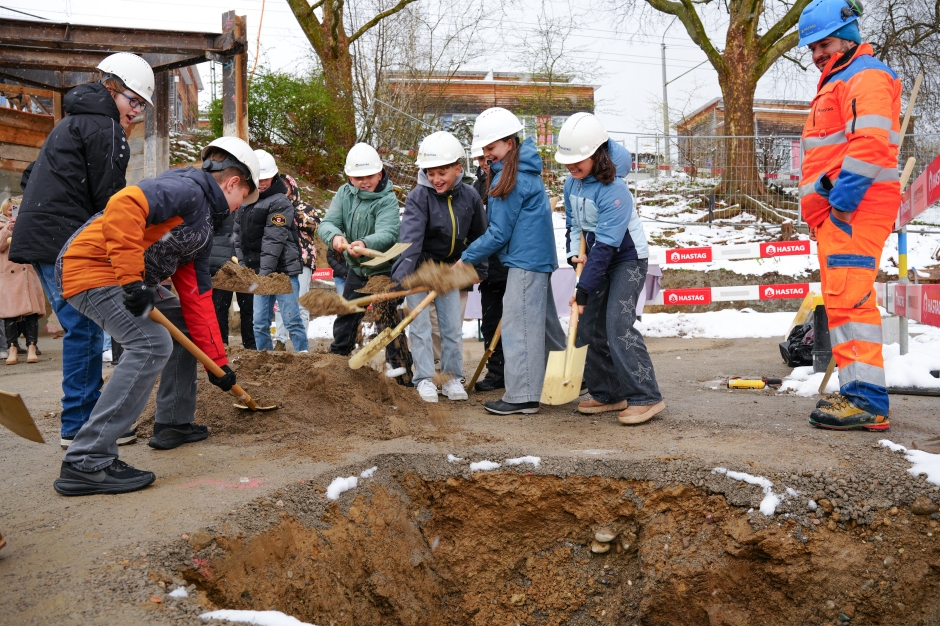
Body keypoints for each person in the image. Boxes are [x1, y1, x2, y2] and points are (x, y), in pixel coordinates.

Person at [51, 137, 260, 496]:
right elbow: (123, 205)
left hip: (124, 277)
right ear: (232, 184)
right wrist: (133, 281)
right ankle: (87, 460)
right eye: (243, 198)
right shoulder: (187, 189)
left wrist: (217, 364)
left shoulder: (201, 224)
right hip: (92, 268)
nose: (240, 207)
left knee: (177, 318)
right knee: (150, 344)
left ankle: (173, 423)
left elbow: (197, 296)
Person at [9, 52, 154, 448]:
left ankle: (81, 420)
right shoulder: (105, 129)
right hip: (61, 242)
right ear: (112, 87)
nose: (137, 112)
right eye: (134, 101)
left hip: (43, 237)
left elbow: (29, 177)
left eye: (142, 105)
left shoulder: (70, 123)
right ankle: (80, 425)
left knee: (83, 327)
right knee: (85, 328)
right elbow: (112, 203)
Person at [797, 0, 901, 431]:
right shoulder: (841, 79)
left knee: (852, 301)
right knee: (842, 301)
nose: (817, 53)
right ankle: (857, 391)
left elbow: (872, 144)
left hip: (852, 210)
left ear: (849, 33)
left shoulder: (865, 75)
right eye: (812, 48)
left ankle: (866, 400)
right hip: (840, 212)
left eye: (823, 44)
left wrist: (840, 202)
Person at [556, 113, 665, 424]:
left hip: (627, 259)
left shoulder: (614, 189)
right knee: (587, 324)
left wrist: (583, 288)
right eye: (568, 160)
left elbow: (606, 246)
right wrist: (573, 256)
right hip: (595, 258)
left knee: (618, 324)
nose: (572, 166)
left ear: (598, 153)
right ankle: (608, 393)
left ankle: (646, 396)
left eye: (579, 159)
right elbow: (573, 225)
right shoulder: (571, 184)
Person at [459, 107, 565, 415]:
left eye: (491, 148)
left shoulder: (511, 179)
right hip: (537, 258)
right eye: (484, 149)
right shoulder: (522, 171)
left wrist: (466, 257)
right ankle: (574, 378)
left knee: (520, 328)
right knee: (543, 324)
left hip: (525, 260)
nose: (486, 154)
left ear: (509, 142)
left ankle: (524, 395)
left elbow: (498, 234)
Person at [391, 131, 488, 403]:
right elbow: (410, 240)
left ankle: (452, 377)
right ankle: (424, 379)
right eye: (430, 173)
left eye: (442, 172)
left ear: (458, 168)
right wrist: (403, 278)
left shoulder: (469, 196)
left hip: (449, 272)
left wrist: (480, 270)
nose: (436, 179)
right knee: (420, 328)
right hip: (419, 271)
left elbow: (481, 235)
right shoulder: (418, 196)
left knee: (451, 328)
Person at [318, 143, 411, 378]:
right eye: (358, 177)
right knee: (347, 313)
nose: (364, 181)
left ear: (380, 173)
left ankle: (401, 371)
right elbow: (327, 223)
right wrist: (335, 237)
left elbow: (389, 233)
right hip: (357, 270)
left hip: (383, 270)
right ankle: (337, 360)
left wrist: (364, 243)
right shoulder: (344, 193)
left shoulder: (387, 200)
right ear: (349, 176)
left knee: (386, 318)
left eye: (369, 176)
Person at [234, 150, 309, 353]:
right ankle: (265, 360)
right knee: (259, 323)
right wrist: (244, 267)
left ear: (274, 176)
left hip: (282, 271)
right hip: (259, 272)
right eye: (258, 179)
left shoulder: (280, 202)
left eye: (265, 178)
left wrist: (262, 274)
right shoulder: (245, 203)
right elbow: (238, 237)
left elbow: (273, 240)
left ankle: (304, 359)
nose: (262, 183)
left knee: (291, 320)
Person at [470, 146, 508, 392]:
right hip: (489, 268)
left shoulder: (510, 181)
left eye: (487, 157)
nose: (485, 162)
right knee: (491, 322)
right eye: (480, 158)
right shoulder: (474, 189)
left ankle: (524, 370)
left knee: (520, 322)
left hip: (515, 263)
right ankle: (497, 372)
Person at [273, 174, 320, 348]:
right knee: (281, 302)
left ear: (293, 187)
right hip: (281, 259)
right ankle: (280, 339)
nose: (283, 188)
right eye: (280, 185)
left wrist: (289, 214)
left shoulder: (304, 207)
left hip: (303, 258)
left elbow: (314, 224)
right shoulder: (273, 206)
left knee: (301, 301)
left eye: (286, 185)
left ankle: (301, 341)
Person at [1, 198, 44, 364]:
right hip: (9, 276)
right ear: (4, 211)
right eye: (10, 209)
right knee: (10, 315)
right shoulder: (2, 225)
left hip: (28, 274)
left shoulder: (29, 223)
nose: (12, 212)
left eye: (16, 209)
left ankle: (32, 346)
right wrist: (8, 229)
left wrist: (24, 226)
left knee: (31, 313)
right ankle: (12, 347)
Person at [210, 198, 256, 350]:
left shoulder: (251, 207)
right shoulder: (218, 207)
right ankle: (222, 344)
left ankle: (250, 347)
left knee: (248, 307)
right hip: (222, 264)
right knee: (220, 307)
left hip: (244, 263)